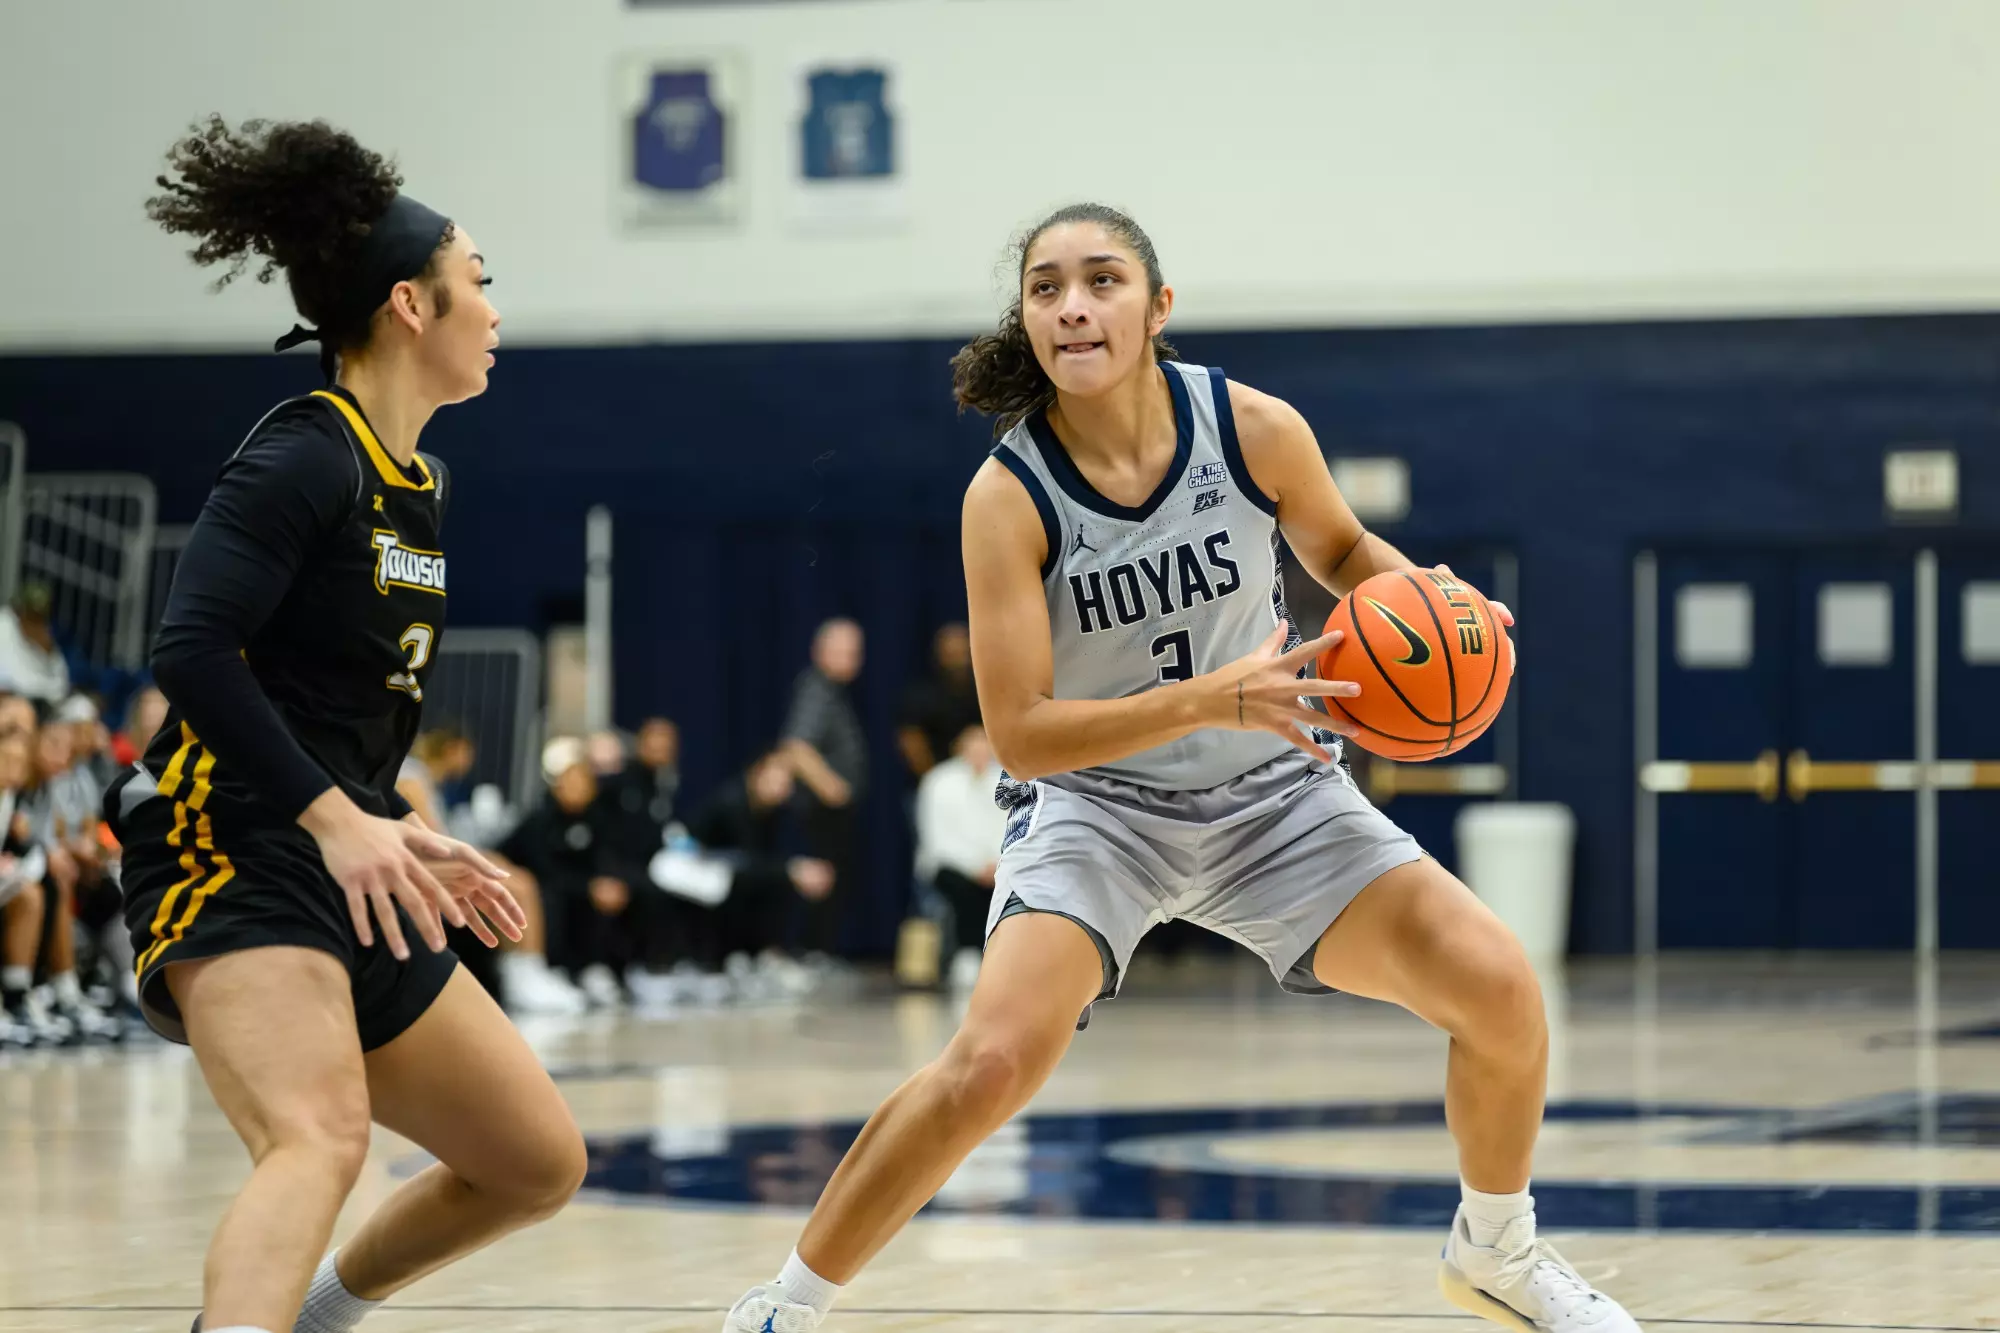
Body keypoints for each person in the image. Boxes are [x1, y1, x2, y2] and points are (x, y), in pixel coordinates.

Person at [720, 204, 1639, 1333]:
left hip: (1275, 794)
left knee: (1499, 989)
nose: (1071, 304)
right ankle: (786, 1305)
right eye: (1046, 286)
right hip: (1098, 811)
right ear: (1026, 319)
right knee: (992, 1063)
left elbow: (1346, 555)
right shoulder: (1007, 497)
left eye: (1101, 279)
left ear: (1157, 307)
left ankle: (1495, 1250)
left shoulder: (1249, 426)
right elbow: (1019, 732)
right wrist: (1207, 697)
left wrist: (1443, 615)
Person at [107, 116, 582, 1333]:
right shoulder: (302, 455)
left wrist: (397, 826)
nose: (493, 304)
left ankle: (312, 1316)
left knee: (534, 1159)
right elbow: (190, 651)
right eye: (478, 280)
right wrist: (335, 818)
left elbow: (327, 706)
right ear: (411, 306)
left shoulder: (411, 482)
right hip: (235, 849)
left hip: (346, 856)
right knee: (318, 1137)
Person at [396, 727, 582, 1016]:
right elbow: (428, 840)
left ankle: (527, 968)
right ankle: (523, 974)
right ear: (452, 749)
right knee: (518, 884)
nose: (469, 761)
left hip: (432, 860)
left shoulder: (429, 781)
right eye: (467, 753)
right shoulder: (413, 778)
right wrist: (477, 859)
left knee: (515, 876)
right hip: (422, 866)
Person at [498, 738, 664, 1008]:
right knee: (552, 897)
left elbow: (606, 859)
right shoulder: (540, 821)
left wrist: (610, 884)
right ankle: (549, 971)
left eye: (583, 780)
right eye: (570, 780)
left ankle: (620, 970)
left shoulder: (598, 819)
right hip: (540, 886)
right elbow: (544, 871)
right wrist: (589, 886)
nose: (577, 787)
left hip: (581, 888)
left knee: (633, 890)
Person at [679, 749, 834, 991]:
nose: (782, 788)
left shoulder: (771, 813)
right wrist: (792, 870)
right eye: (776, 780)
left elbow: (760, 860)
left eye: (787, 783)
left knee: (777, 880)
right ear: (756, 774)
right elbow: (737, 860)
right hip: (695, 873)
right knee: (767, 879)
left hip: (731, 873)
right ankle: (731, 958)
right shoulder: (732, 803)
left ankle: (763, 955)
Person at [781, 619, 867, 959]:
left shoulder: (833, 691)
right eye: (843, 651)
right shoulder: (815, 689)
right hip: (819, 811)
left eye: (855, 652)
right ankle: (810, 954)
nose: (852, 659)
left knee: (835, 883)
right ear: (820, 652)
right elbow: (796, 746)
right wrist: (832, 789)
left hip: (830, 812)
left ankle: (820, 952)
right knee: (819, 881)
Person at [913, 724, 1005, 991]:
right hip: (951, 865)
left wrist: (996, 863)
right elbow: (938, 839)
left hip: (998, 864)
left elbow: (1014, 828)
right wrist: (975, 866)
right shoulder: (939, 782)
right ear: (960, 749)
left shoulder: (1006, 778)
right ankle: (968, 954)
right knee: (963, 888)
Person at [896, 623, 980, 779]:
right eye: (952, 654)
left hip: (986, 781)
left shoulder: (985, 695)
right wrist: (934, 779)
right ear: (939, 654)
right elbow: (910, 741)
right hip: (936, 781)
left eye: (962, 653)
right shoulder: (921, 696)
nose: (958, 660)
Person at [0, 585, 71, 704]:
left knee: (82, 708)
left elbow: (60, 688)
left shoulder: (44, 640)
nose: (34, 621)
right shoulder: (4, 624)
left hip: (38, 705)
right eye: (30, 614)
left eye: (39, 617)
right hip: (9, 701)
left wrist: (48, 653)